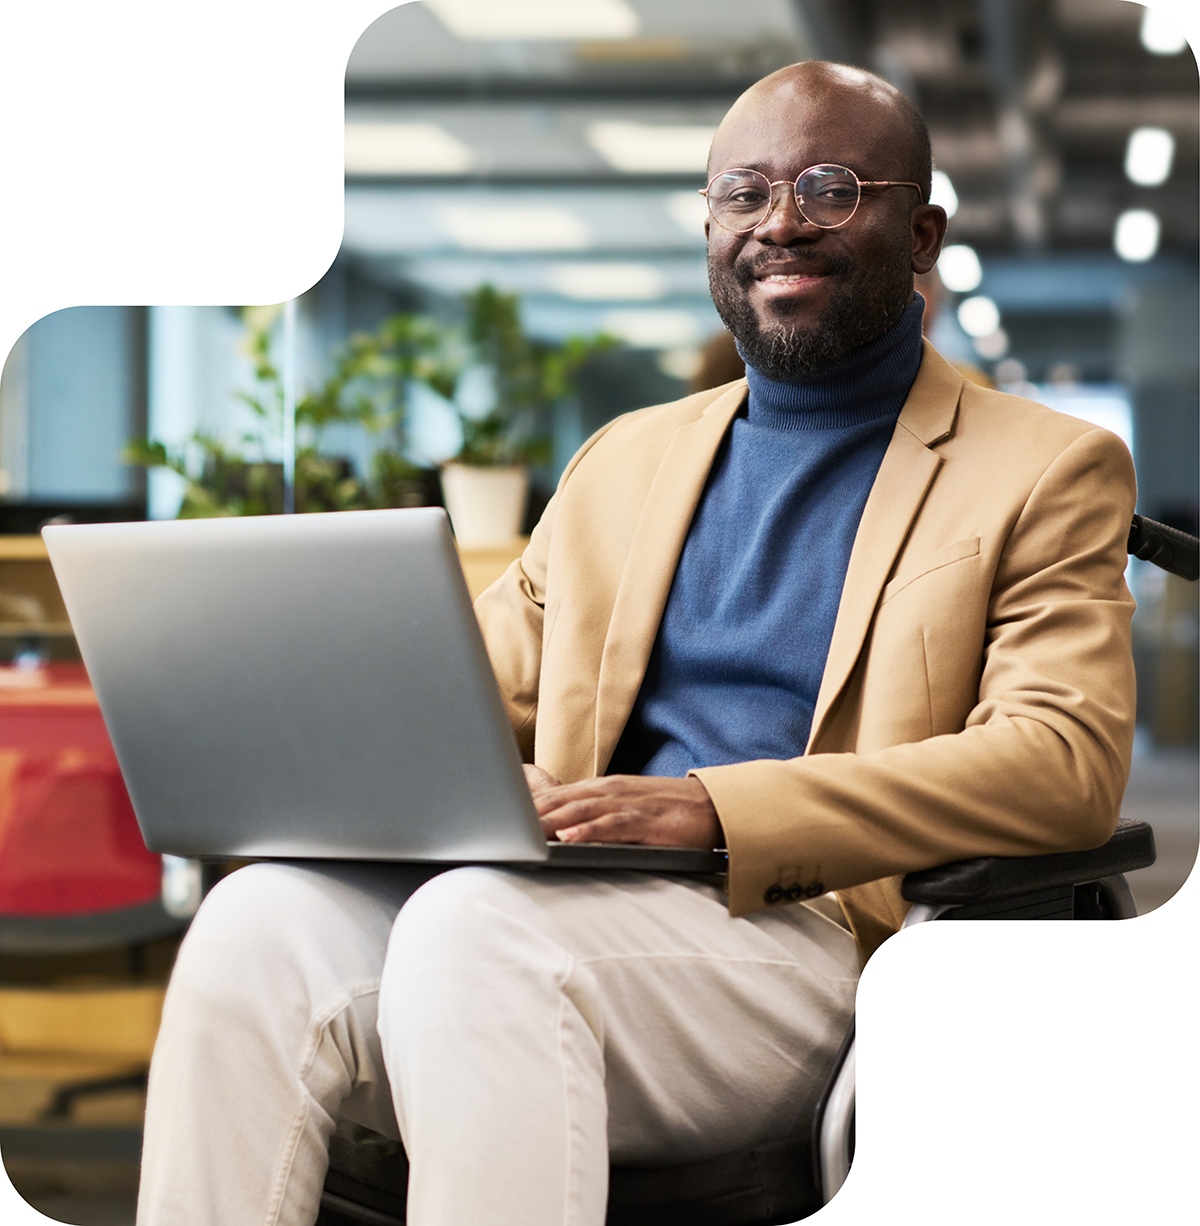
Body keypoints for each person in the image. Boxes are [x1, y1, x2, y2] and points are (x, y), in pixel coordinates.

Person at [136, 61, 1136, 1226]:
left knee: (475, 929)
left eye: (827, 187)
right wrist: (272, 721)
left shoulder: (1044, 465)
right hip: (560, 893)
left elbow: (1065, 761)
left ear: (920, 232)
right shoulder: (624, 459)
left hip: (801, 929)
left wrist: (716, 807)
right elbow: (471, 687)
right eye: (743, 192)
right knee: (254, 923)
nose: (779, 225)